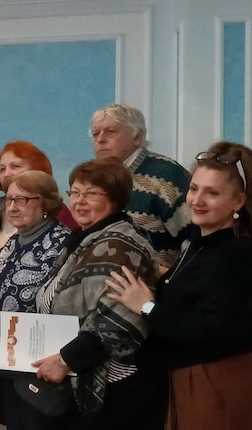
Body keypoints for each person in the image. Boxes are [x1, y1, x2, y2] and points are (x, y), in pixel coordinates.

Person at [107, 142, 252, 429]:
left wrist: (147, 306)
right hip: (187, 379)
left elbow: (211, 329)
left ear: (238, 201)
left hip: (212, 385)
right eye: (194, 188)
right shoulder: (201, 243)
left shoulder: (236, 253)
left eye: (212, 193)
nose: (197, 200)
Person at [32, 157, 164, 428]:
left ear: (115, 199)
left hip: (117, 391)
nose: (79, 201)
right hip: (77, 376)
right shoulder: (84, 240)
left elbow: (117, 321)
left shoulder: (120, 245)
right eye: (75, 192)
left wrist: (66, 360)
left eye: (91, 194)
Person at [0, 170, 72, 428]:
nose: (12, 207)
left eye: (22, 200)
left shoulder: (62, 245)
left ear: (46, 203)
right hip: (8, 361)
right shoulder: (12, 243)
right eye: (8, 199)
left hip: (42, 369)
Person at [89, 103, 190, 268]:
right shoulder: (93, 179)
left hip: (158, 281)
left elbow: (195, 238)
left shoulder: (167, 175)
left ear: (137, 138)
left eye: (111, 131)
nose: (100, 139)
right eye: (95, 134)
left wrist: (171, 278)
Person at [0, 141, 77, 249]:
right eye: (2, 169)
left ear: (37, 171)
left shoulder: (57, 212)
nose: (6, 174)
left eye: (15, 166)